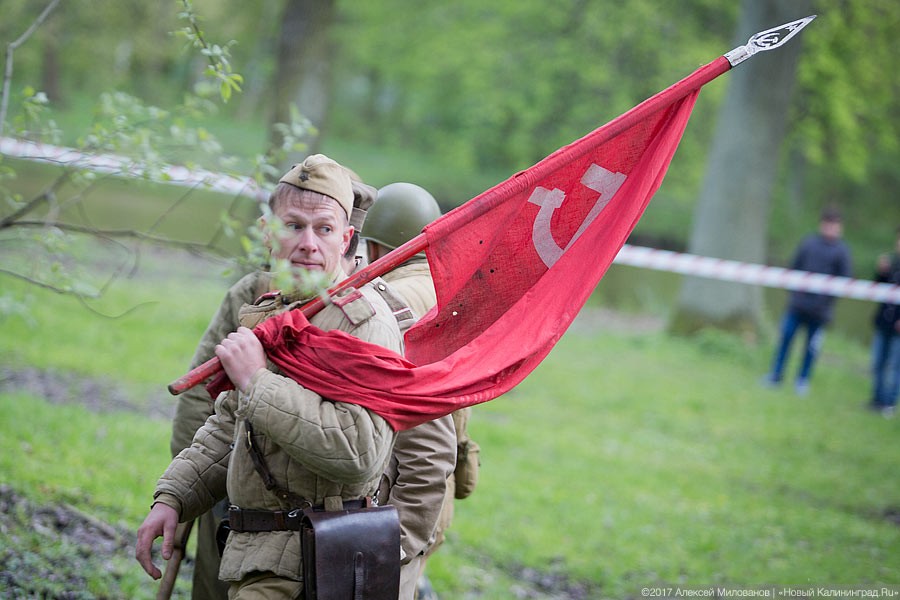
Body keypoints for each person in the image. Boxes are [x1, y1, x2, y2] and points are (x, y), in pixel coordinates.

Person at [136, 154, 404, 598]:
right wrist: (174, 498)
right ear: (268, 233)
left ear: (346, 239)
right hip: (260, 554)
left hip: (316, 562)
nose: (308, 243)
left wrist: (258, 382)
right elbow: (231, 424)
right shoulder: (277, 311)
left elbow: (360, 452)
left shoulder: (363, 323)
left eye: (324, 229)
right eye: (293, 226)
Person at [366, 183, 480, 600]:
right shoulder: (458, 293)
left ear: (374, 247)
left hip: (398, 490)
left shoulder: (383, 300)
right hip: (436, 489)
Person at [763, 206, 853, 395]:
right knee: (786, 338)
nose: (830, 228)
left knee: (811, 348)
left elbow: (844, 281)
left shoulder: (842, 251)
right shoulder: (809, 243)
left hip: (820, 311)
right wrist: (795, 293)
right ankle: (776, 375)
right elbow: (794, 267)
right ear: (822, 224)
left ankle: (802, 380)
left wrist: (826, 301)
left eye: (834, 225)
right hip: (797, 305)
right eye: (828, 224)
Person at [869, 226, 900, 417]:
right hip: (883, 322)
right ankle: (877, 400)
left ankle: (890, 403)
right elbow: (878, 289)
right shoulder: (893, 264)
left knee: (896, 367)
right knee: (878, 362)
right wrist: (881, 273)